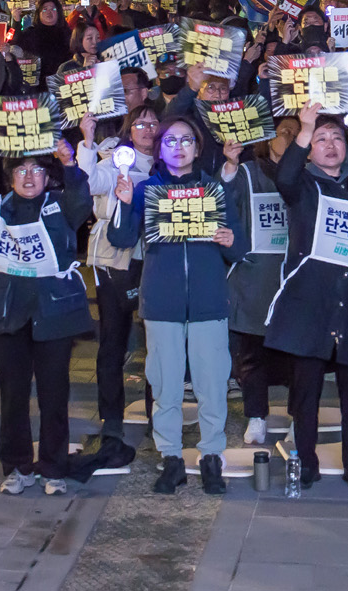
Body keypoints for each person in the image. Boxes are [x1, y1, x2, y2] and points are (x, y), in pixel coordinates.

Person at [108, 115, 243, 494]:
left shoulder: (213, 190)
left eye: (186, 141)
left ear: (198, 148)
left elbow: (242, 248)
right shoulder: (146, 189)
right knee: (164, 384)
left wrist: (230, 239)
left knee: (212, 384)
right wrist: (122, 203)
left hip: (208, 302)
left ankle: (211, 455)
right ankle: (170, 457)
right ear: (159, 149)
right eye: (170, 141)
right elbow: (120, 237)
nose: (179, 147)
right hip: (162, 303)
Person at [0, 136, 94, 496]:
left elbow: (82, 201)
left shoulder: (60, 206)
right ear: (10, 176)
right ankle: (17, 466)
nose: (29, 177)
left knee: (54, 392)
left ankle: (53, 467)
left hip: (55, 312)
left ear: (47, 177)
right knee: (12, 393)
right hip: (8, 312)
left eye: (36, 170)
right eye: (21, 169)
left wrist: (69, 163)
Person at [267, 101, 348, 491]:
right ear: (309, 149)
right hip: (311, 301)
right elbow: (284, 179)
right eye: (321, 139)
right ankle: (307, 460)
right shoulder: (303, 186)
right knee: (307, 388)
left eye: (336, 138)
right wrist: (303, 128)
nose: (330, 145)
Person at [76, 101, 158, 453]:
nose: (148, 129)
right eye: (140, 123)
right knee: (114, 337)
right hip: (114, 257)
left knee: (157, 340)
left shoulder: (170, 163)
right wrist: (88, 139)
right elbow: (90, 181)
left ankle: (159, 415)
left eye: (154, 123)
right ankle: (112, 419)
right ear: (129, 129)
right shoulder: (117, 159)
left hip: (155, 257)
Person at [218, 114, 296, 448]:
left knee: (297, 358)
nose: (290, 137)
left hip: (291, 279)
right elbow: (221, 197)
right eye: (283, 132)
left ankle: (299, 418)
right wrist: (230, 165)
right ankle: (256, 415)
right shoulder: (249, 173)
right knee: (251, 357)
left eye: (297, 132)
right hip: (253, 280)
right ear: (266, 137)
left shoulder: (307, 174)